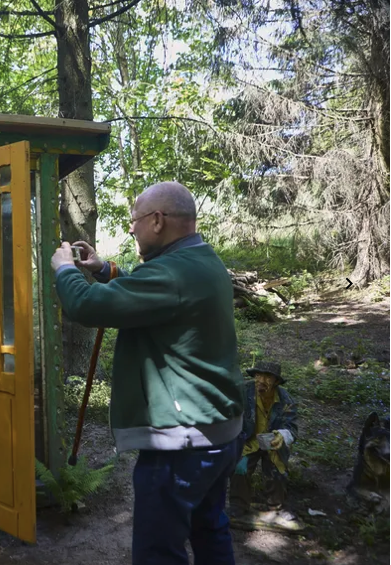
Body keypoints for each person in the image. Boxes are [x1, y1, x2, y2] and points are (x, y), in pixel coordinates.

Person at [51, 182, 244, 565]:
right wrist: (104, 269)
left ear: (157, 221)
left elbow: (87, 306)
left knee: (159, 552)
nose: (131, 228)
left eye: (134, 220)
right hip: (217, 431)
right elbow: (150, 294)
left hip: (182, 443)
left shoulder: (173, 274)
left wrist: (65, 270)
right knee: (209, 529)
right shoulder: (201, 260)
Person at [230, 361, 302, 531]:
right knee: (239, 469)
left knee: (277, 470)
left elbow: (291, 428)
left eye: (267, 377)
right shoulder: (243, 392)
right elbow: (230, 413)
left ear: (276, 381)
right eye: (258, 375)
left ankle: (276, 507)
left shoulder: (286, 401)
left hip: (272, 443)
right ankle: (237, 506)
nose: (261, 380)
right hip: (249, 441)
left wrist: (282, 436)